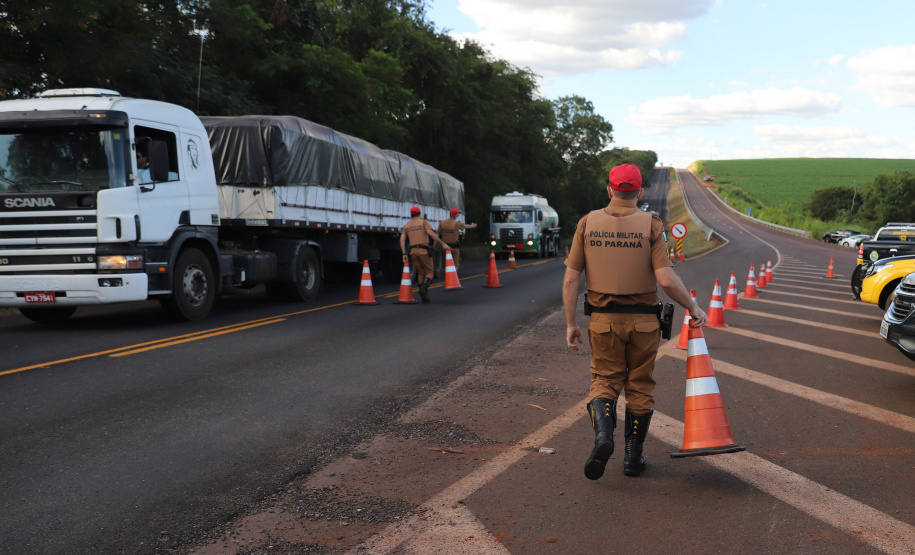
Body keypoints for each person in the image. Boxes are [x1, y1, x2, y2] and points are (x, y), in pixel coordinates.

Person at [562, 164, 708, 480]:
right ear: (640, 192)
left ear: (609, 190)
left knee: (604, 379)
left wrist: (571, 324)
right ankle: (633, 457)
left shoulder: (587, 223)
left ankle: (603, 435)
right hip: (644, 323)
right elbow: (667, 280)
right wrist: (693, 307)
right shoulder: (651, 225)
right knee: (640, 385)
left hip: (602, 322)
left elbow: (571, 279)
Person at [401, 206, 453, 303]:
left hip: (413, 252)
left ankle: (424, 297)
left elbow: (402, 239)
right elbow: (431, 234)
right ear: (419, 214)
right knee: (430, 272)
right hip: (423, 251)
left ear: (411, 215)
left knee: (421, 272)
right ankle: (423, 289)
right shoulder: (424, 222)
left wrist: (404, 253)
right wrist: (443, 244)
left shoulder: (407, 225)